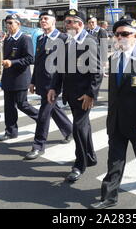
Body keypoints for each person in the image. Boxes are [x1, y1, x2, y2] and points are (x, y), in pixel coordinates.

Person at [91, 17, 136, 209]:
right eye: (117, 34)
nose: (120, 37)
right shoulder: (114, 58)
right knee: (115, 159)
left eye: (125, 34)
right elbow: (114, 93)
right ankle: (109, 197)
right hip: (117, 119)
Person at [48, 9, 103, 182]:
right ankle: (91, 156)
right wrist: (53, 88)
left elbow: (97, 72)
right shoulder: (65, 42)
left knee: (78, 128)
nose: (67, 25)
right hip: (70, 93)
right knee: (83, 126)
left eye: (71, 22)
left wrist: (91, 94)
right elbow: (59, 68)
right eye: (66, 22)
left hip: (83, 95)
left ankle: (80, 164)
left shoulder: (90, 42)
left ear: (80, 24)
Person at [25, 10, 73, 160]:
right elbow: (38, 62)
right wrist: (32, 81)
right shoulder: (40, 38)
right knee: (54, 109)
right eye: (41, 19)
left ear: (53, 21)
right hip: (42, 81)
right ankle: (70, 130)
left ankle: (38, 145)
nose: (42, 21)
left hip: (54, 84)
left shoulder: (63, 38)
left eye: (46, 18)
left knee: (43, 114)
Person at [0, 14, 39, 141]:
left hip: (20, 78)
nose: (8, 26)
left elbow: (30, 58)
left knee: (22, 104)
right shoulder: (8, 39)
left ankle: (42, 119)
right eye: (7, 23)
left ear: (18, 24)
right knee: (8, 107)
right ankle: (10, 131)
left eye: (11, 23)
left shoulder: (24, 39)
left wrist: (12, 62)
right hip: (8, 78)